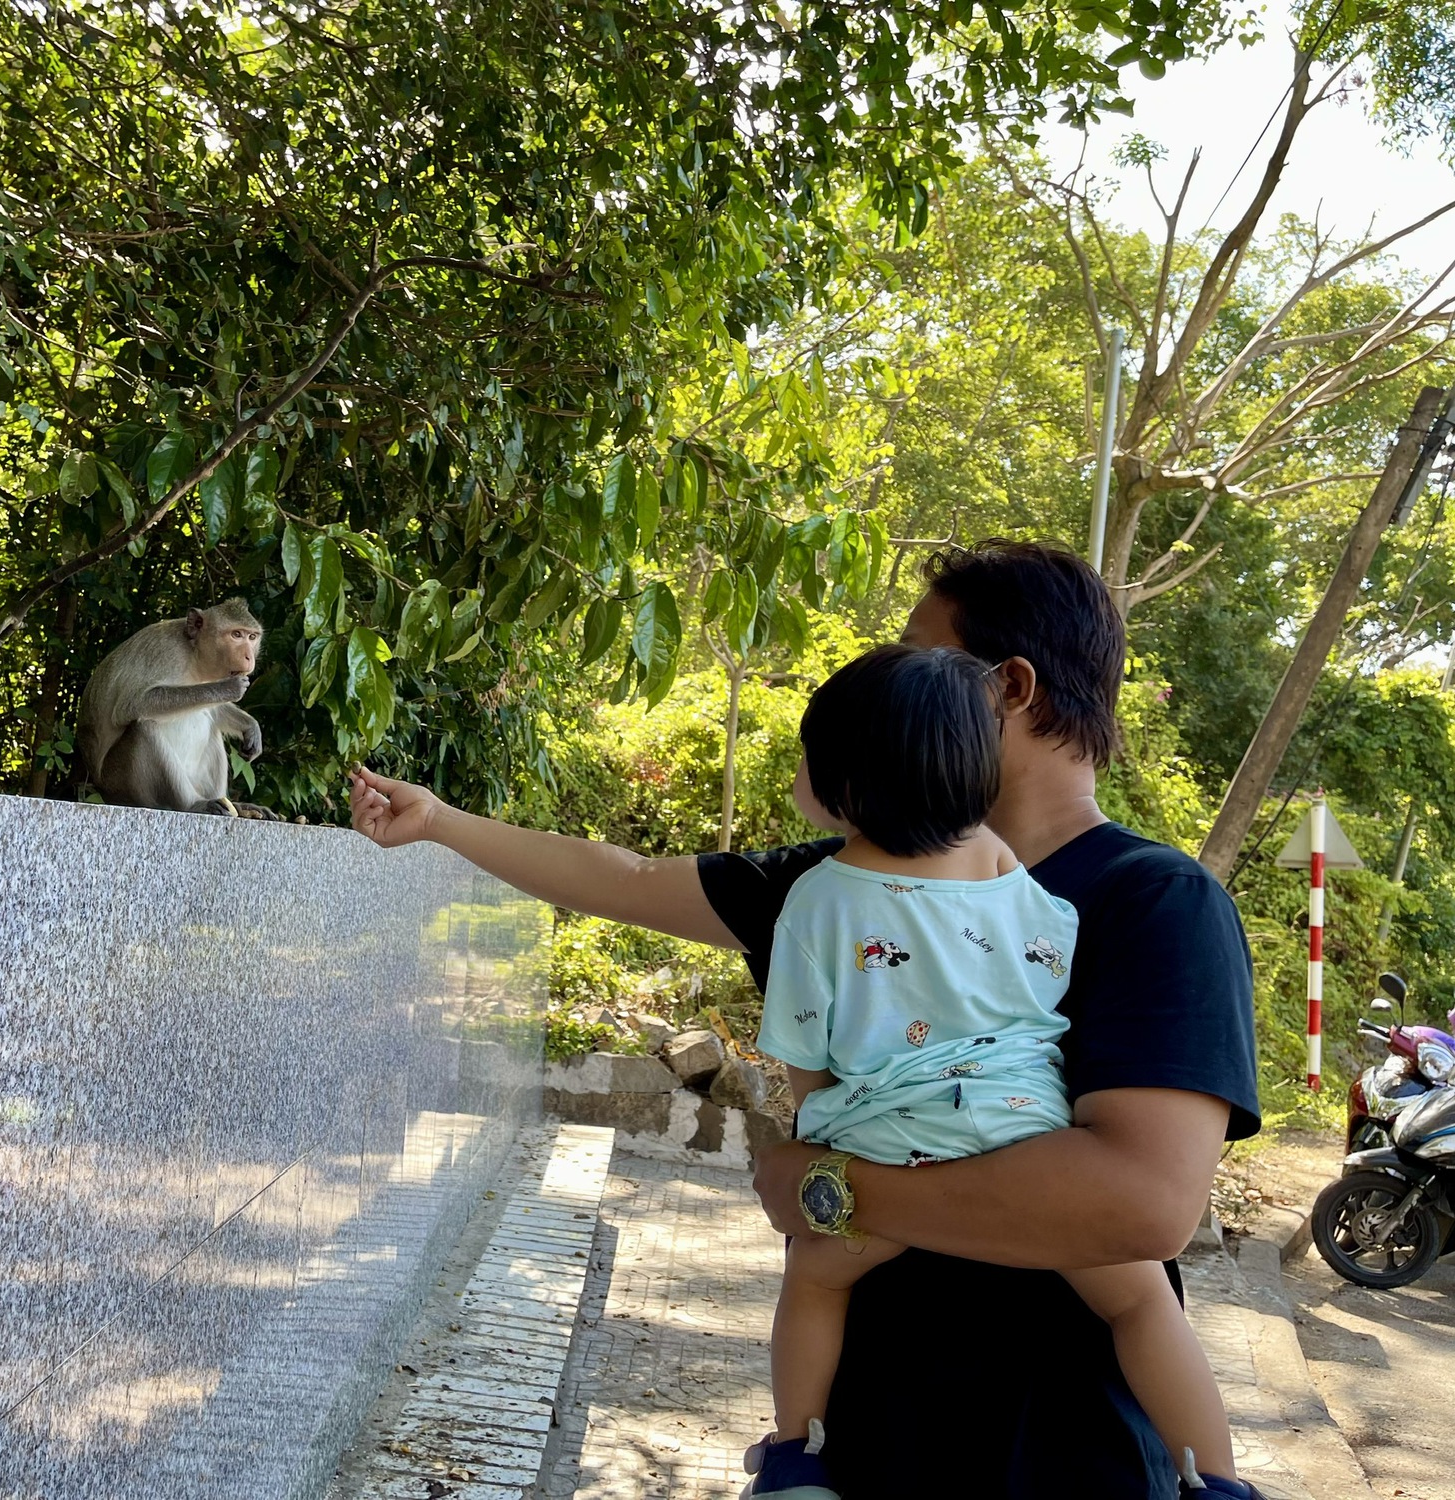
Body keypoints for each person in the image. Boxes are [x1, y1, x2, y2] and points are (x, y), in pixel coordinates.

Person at [346, 539, 1261, 1499]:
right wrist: (443, 821)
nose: (890, 681)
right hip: (868, 1441)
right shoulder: (845, 880)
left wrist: (826, 1187)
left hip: (1061, 1460)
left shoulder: (1154, 901)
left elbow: (1142, 1202)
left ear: (1011, 689)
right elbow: (627, 878)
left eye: (920, 658)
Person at [741, 642, 1238, 1500]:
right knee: (1142, 1304)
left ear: (840, 784)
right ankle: (1220, 1481)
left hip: (886, 1145)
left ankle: (794, 1458)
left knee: (816, 1282)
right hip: (1021, 1125)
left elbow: (803, 1048)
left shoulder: (819, 895)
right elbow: (1047, 956)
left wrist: (820, 1139)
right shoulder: (1007, 868)